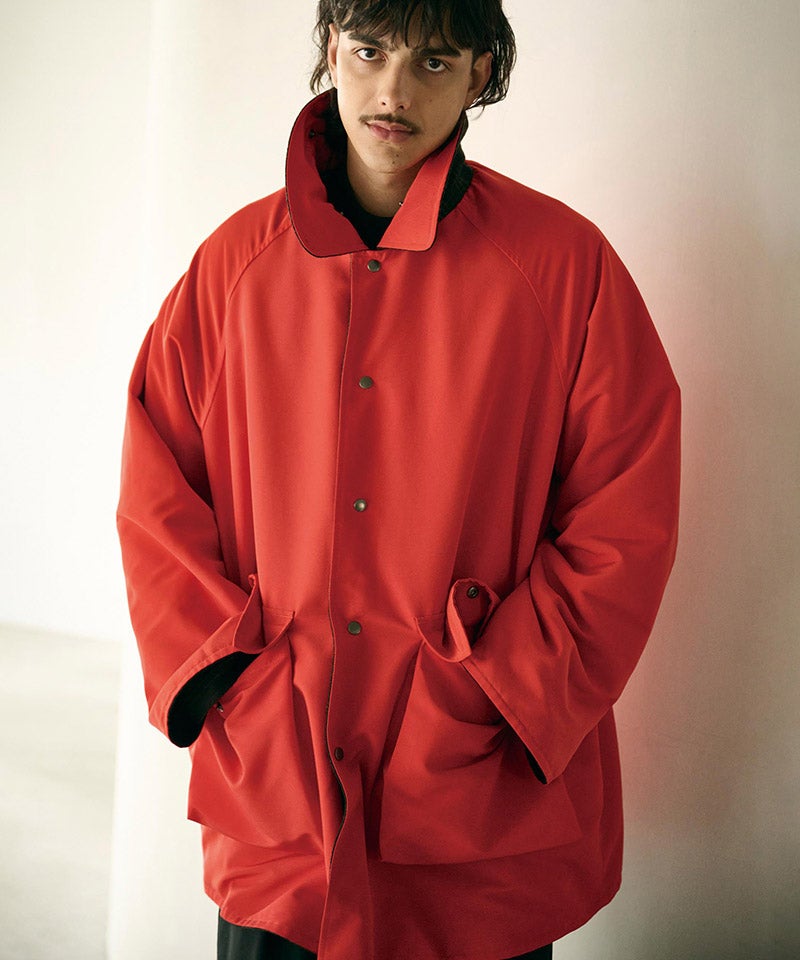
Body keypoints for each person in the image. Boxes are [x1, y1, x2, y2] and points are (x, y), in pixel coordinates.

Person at [117, 1, 681, 958]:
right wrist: (228, 681)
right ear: (332, 50)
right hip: (282, 794)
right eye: (370, 51)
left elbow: (626, 511)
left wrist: (504, 691)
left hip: (479, 796)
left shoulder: (564, 267)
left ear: (480, 74)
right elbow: (157, 495)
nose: (392, 90)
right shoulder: (233, 268)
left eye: (433, 61)